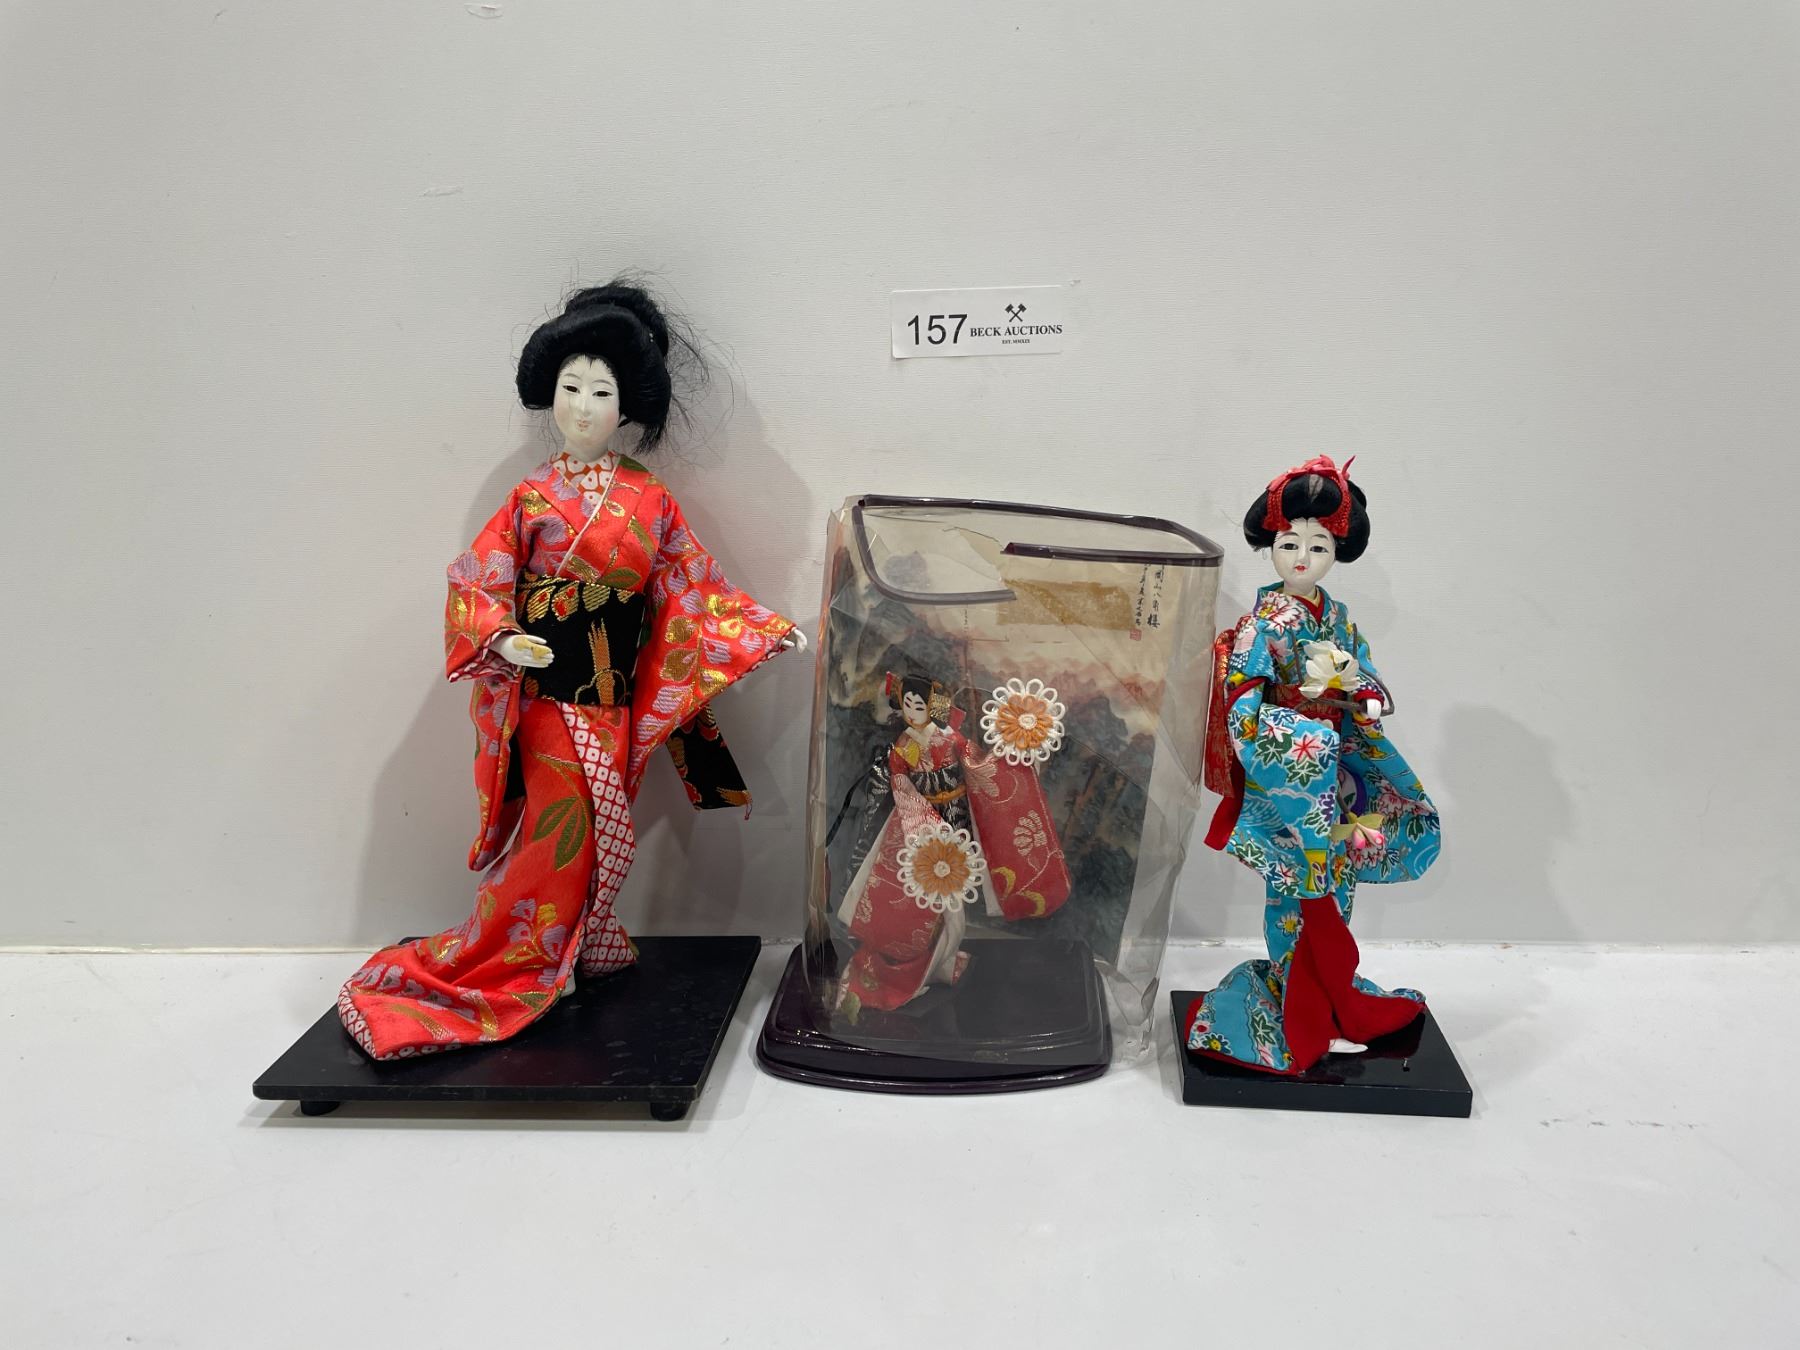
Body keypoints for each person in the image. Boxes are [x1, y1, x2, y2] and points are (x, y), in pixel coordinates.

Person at [338, 282, 800, 1059]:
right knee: (567, 826)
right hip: (551, 695)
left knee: (602, 823)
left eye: (601, 393)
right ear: (550, 396)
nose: (583, 408)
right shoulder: (530, 498)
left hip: (612, 698)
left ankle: (575, 947)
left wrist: (754, 632)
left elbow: (691, 588)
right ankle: (528, 959)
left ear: (628, 408)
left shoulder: (649, 500)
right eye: (571, 389)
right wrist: (504, 637)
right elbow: (478, 579)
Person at [1184, 455, 1440, 1074]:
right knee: (1294, 888)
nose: (1302, 557)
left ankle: (1332, 997)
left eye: (1318, 545)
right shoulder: (1261, 627)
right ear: (1270, 546)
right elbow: (1244, 705)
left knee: (1338, 881)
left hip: (1338, 773)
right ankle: (1292, 1000)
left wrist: (1364, 696)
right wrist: (1302, 742)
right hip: (1290, 777)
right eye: (1289, 543)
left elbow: (1360, 672)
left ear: (1337, 552)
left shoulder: (1339, 619)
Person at [834, 672, 1071, 1017]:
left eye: (919, 705)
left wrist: (1014, 750)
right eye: (907, 704)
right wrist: (917, 815)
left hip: (954, 819)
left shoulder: (950, 738)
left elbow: (979, 766)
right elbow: (899, 776)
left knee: (953, 894)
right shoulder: (906, 743)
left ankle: (945, 959)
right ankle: (916, 961)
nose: (913, 711)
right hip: (916, 821)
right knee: (919, 897)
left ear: (933, 706)